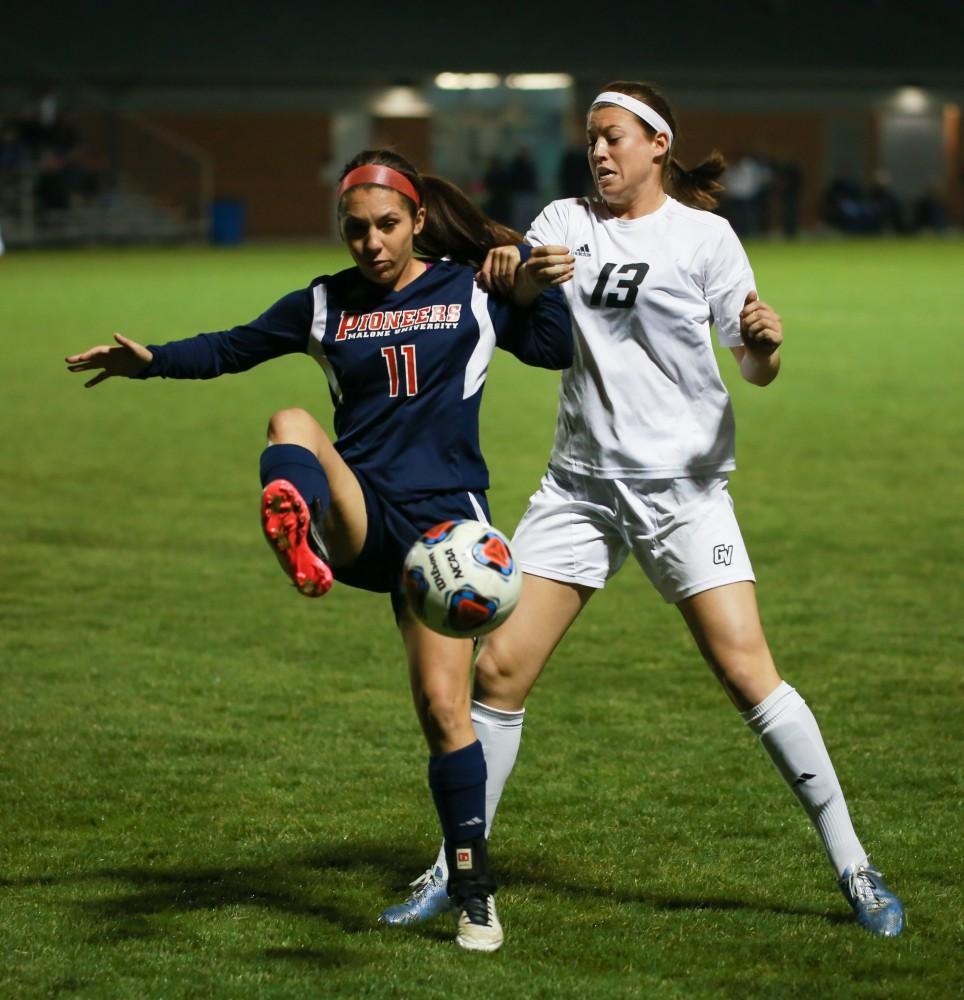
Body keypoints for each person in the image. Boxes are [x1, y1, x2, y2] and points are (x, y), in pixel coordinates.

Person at [380, 82, 905, 940]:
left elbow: (753, 365)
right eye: (591, 139)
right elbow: (527, 310)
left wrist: (767, 347)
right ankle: (456, 865)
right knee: (499, 672)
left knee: (748, 674)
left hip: (682, 493)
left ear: (659, 143)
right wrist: (515, 279)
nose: (599, 152)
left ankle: (855, 865)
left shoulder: (706, 237)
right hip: (580, 488)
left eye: (614, 137)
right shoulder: (562, 222)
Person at [65, 149, 575, 953]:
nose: (370, 243)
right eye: (355, 229)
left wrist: (530, 288)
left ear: (415, 223)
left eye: (385, 226)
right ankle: (298, 536)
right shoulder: (323, 304)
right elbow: (234, 345)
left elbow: (553, 350)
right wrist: (154, 361)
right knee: (292, 420)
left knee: (445, 713)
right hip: (360, 512)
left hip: (443, 540)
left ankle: (474, 893)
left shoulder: (469, 288)